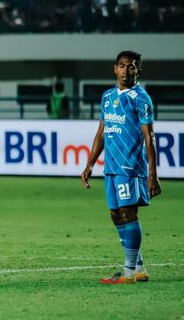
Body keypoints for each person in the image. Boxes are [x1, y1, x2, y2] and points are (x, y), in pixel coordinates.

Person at [80, 50, 161, 284]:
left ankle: (127, 273)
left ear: (138, 71)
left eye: (132, 67)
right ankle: (139, 268)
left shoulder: (140, 98)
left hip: (131, 166)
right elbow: (101, 132)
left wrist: (152, 174)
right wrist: (90, 163)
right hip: (111, 167)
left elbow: (150, 138)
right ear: (115, 68)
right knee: (116, 214)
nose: (126, 70)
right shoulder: (107, 96)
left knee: (128, 213)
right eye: (122, 66)